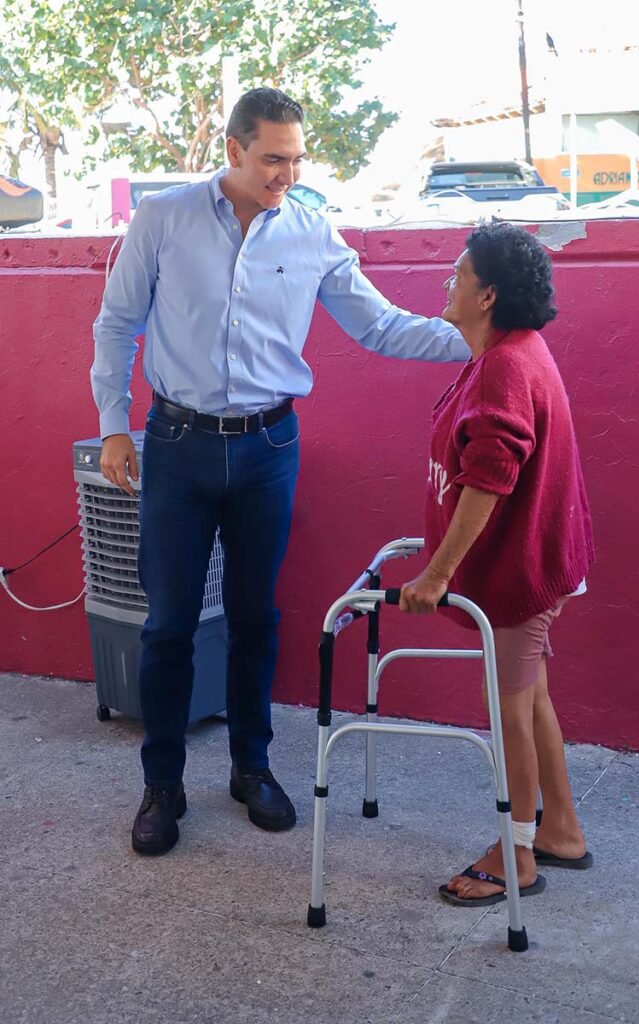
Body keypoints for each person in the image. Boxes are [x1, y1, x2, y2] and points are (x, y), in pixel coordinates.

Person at [91, 87, 469, 856]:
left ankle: (250, 767)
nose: (285, 175)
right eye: (272, 159)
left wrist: (484, 340)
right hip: (175, 443)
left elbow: (379, 325)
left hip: (268, 449)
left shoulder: (309, 229)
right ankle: (161, 785)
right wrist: (110, 429)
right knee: (166, 625)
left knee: (255, 617)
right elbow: (116, 323)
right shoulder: (163, 219)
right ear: (232, 150)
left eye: (295, 159)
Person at [398, 222, 594, 906]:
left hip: (518, 575)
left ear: (484, 294)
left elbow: (490, 476)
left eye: (455, 274)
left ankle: (517, 853)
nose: (444, 283)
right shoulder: (509, 351)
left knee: (508, 708)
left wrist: (436, 575)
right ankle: (560, 830)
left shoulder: (508, 364)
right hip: (540, 563)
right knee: (531, 694)